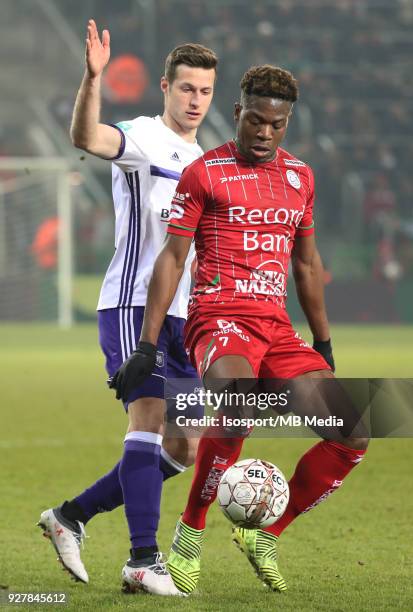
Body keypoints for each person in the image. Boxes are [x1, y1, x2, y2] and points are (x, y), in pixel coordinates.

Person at [110, 64, 369, 594]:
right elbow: (173, 258)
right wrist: (147, 343)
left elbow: (306, 264)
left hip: (275, 326)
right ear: (238, 113)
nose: (264, 133)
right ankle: (190, 533)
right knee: (239, 398)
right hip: (218, 317)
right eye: (255, 120)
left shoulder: (301, 177)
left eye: (276, 125)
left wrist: (322, 341)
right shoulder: (205, 172)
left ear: (287, 123)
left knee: (353, 435)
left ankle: (266, 533)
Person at [37, 19, 217, 596]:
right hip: (133, 304)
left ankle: (70, 516)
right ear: (165, 87)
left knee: (186, 446)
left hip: (185, 315)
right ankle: (143, 559)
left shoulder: (207, 160)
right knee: (149, 419)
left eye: (206, 91)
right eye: (186, 88)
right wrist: (92, 79)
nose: (196, 100)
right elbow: (86, 138)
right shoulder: (140, 135)